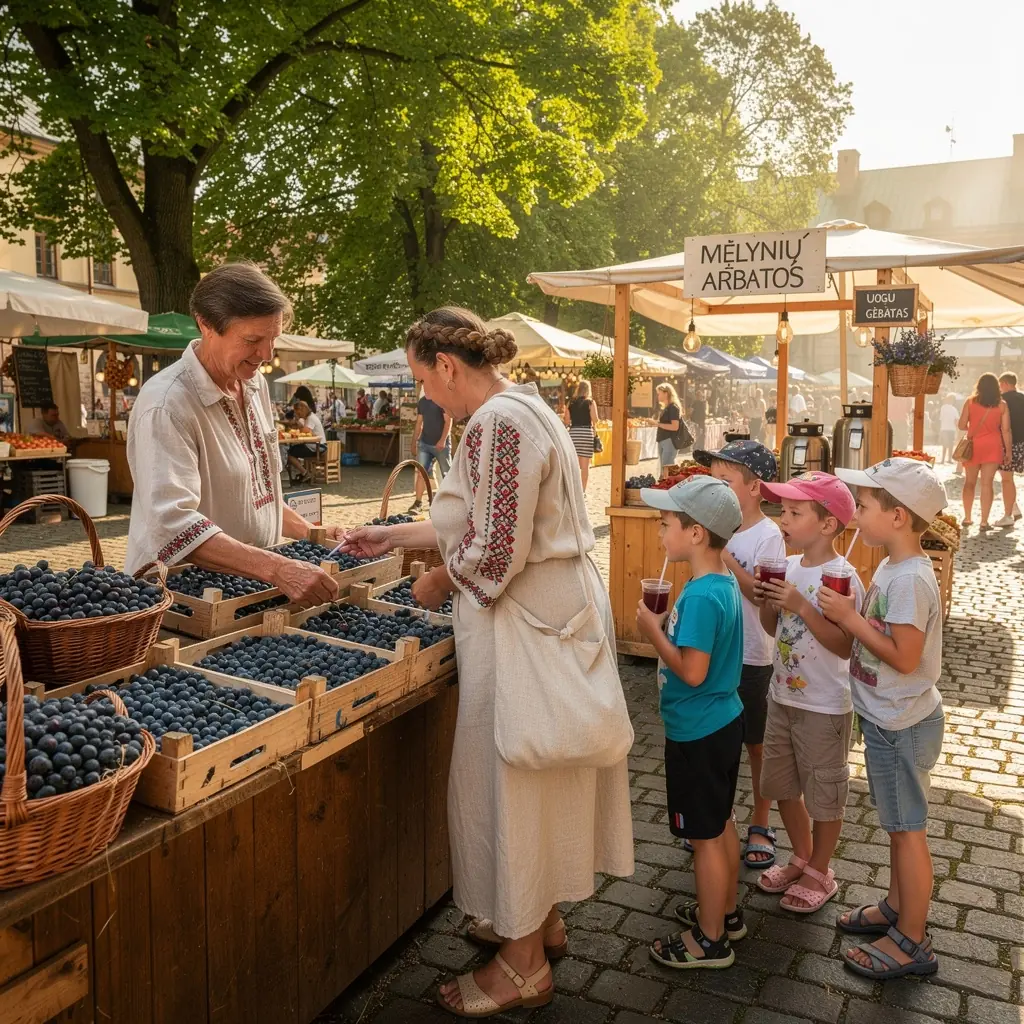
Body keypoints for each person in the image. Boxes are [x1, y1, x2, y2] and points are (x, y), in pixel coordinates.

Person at [339, 306, 633, 1017]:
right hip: (547, 614)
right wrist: (392, 536)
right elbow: (482, 521)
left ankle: (523, 964)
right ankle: (539, 921)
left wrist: (440, 580)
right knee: (539, 779)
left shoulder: (499, 423)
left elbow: (494, 551)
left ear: (447, 365)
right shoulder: (524, 408)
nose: (425, 395)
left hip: (529, 625)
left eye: (422, 380)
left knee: (515, 783)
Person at [124, 262, 343, 608]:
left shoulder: (254, 385)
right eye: (252, 340)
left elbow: (257, 495)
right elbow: (173, 525)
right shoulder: (167, 404)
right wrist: (276, 568)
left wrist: (311, 532)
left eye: (273, 339)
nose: (266, 355)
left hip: (245, 588)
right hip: (182, 599)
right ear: (207, 325)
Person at [823, 458, 947, 981]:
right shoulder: (895, 568)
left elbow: (905, 657)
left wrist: (850, 619)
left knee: (907, 831)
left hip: (901, 725)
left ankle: (912, 940)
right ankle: (898, 908)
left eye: (865, 506)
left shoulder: (911, 578)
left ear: (898, 517)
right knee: (897, 827)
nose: (855, 515)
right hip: (888, 720)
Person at [635, 476, 744, 971]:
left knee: (703, 837)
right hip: (722, 722)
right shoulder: (722, 583)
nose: (660, 533)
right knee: (721, 823)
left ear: (696, 533)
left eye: (666, 524)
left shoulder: (700, 596)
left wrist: (653, 632)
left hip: (697, 731)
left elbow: (693, 672)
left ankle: (710, 939)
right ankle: (724, 910)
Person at [753, 473, 865, 913]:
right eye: (783, 511)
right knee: (781, 784)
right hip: (782, 697)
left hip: (824, 705)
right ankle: (801, 856)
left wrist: (801, 605)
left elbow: (844, 645)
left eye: (795, 512)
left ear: (827, 524)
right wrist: (768, 602)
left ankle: (821, 869)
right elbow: (773, 628)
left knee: (824, 795)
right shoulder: (790, 567)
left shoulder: (843, 577)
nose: (783, 519)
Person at [694, 440, 784, 869]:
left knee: (757, 746)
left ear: (755, 488)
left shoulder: (768, 536)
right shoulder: (715, 529)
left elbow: (759, 593)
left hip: (753, 657)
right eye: (713, 480)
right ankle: (720, 821)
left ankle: (761, 823)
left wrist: (722, 551)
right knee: (719, 741)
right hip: (717, 653)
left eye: (725, 481)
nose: (717, 488)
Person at [958, 372, 1011, 529]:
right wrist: (1008, 451)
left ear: (979, 386)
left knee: (969, 482)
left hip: (973, 446)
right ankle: (984, 521)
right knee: (987, 484)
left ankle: (967, 517)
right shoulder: (1002, 405)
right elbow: (1006, 430)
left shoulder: (970, 402)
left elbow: (961, 425)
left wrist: (972, 429)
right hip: (993, 446)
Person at [410, 391, 452, 512]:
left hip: (442, 445)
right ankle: (418, 503)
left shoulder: (442, 399)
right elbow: (419, 423)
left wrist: (442, 440)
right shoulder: (422, 402)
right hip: (424, 444)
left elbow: (448, 421)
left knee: (447, 474)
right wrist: (414, 442)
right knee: (421, 473)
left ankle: (449, 503)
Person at [998, 372, 1024, 524]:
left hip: (1006, 443)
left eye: (1000, 385)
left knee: (1006, 479)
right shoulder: (1023, 398)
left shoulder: (1001, 400)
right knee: (1008, 478)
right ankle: (1014, 508)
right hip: (1021, 443)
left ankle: (1009, 513)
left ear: (1005, 384)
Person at [564, 380, 599, 491]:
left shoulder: (570, 403)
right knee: (585, 467)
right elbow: (595, 419)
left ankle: (573, 490)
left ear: (578, 389)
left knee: (574, 466)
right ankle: (582, 491)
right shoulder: (590, 402)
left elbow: (566, 421)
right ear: (588, 390)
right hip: (586, 435)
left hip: (574, 435)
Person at [286, 398, 327, 483]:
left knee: (290, 454)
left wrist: (297, 421)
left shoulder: (310, 418)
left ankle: (305, 473)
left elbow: (305, 431)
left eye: (298, 412)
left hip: (318, 447)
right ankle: (304, 472)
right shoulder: (310, 417)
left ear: (302, 410)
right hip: (316, 445)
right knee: (293, 450)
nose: (297, 414)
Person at [656, 383, 683, 475]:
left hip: (669, 440)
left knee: (667, 468)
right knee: (663, 468)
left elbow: (675, 427)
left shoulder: (673, 407)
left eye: (659, 393)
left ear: (666, 393)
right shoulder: (667, 407)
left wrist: (657, 424)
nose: (658, 396)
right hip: (663, 440)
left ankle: (667, 483)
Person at [937, 394, 959, 465]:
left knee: (944, 445)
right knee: (951, 445)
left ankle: (943, 460)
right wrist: (957, 430)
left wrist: (940, 430)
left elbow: (941, 419)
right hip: (952, 429)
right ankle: (949, 459)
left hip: (944, 428)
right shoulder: (954, 409)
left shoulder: (943, 408)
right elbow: (956, 421)